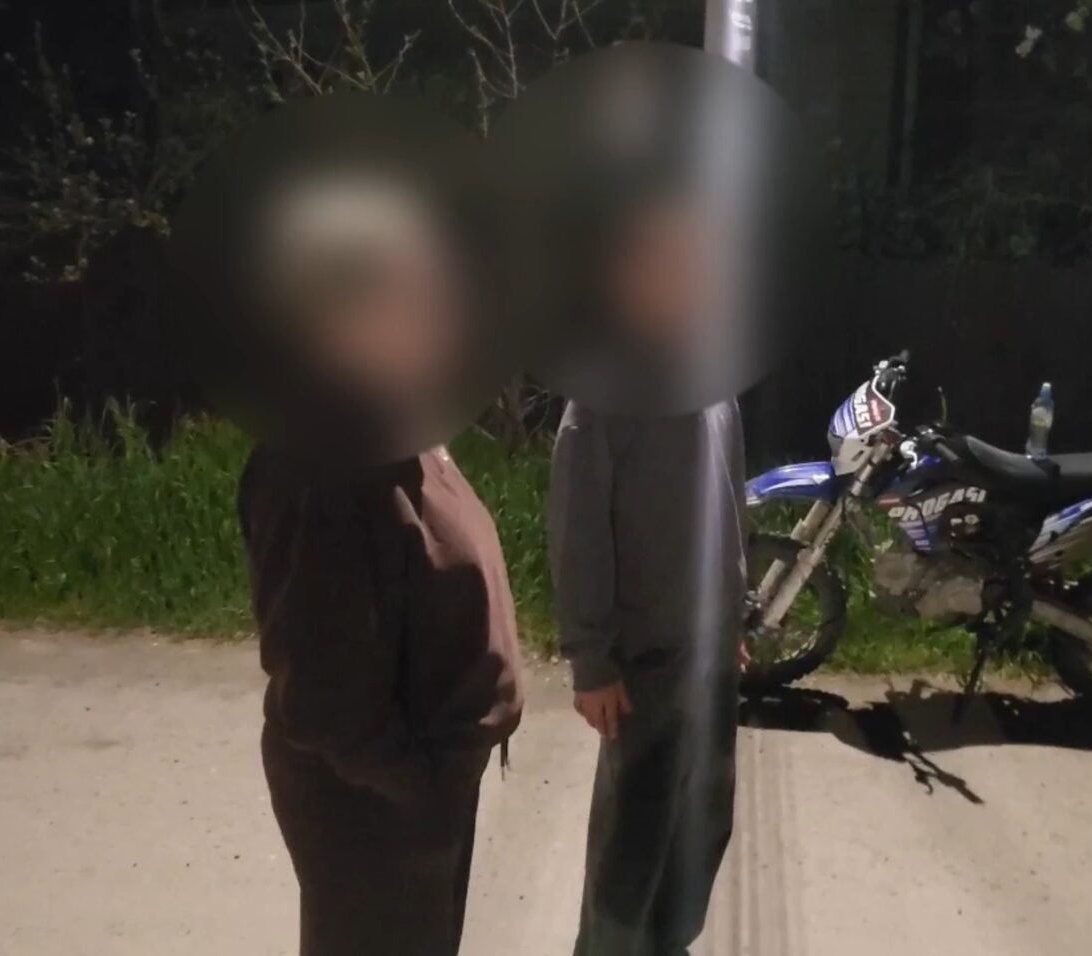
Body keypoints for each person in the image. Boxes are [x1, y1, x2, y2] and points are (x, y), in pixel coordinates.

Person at [236, 172, 524, 956]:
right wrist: (421, 793)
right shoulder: (319, 464)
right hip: (377, 810)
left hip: (420, 790)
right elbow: (325, 694)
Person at [548, 194, 748, 956]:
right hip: (644, 666)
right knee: (630, 853)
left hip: (710, 658)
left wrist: (731, 620)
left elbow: (727, 505)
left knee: (700, 828)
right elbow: (578, 533)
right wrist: (591, 661)